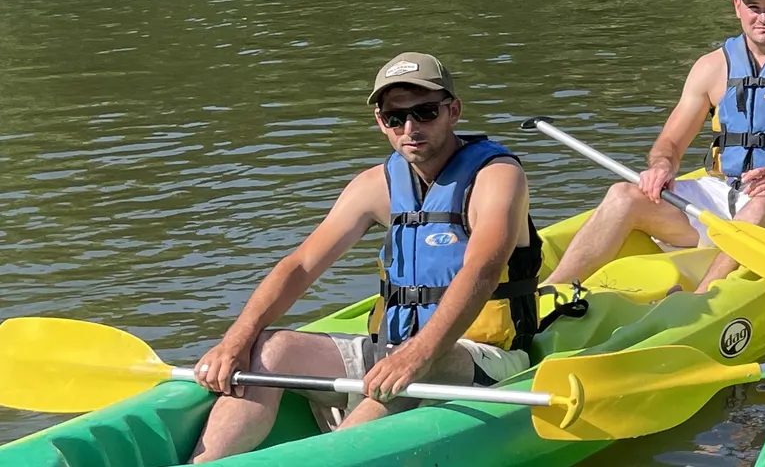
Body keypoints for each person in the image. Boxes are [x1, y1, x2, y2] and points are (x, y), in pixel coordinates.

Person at [190, 53, 542, 461]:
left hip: (488, 356)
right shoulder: (376, 185)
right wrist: (236, 339)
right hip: (396, 349)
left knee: (407, 372)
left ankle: (327, 457)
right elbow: (301, 265)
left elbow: (482, 268)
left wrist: (419, 352)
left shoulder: (496, 176)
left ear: (453, 111)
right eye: (396, 118)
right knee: (270, 348)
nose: (410, 129)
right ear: (381, 122)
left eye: (425, 112)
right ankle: (202, 463)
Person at [541, 0, 765, 294]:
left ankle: (700, 298)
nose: (764, 18)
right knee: (622, 194)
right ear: (737, 7)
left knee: (759, 206)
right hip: (723, 191)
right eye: (753, 7)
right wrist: (662, 166)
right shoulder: (711, 67)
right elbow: (670, 144)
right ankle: (548, 292)